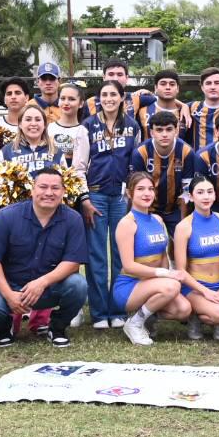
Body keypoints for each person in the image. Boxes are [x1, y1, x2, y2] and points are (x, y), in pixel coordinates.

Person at [0, 167, 88, 347]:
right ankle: (4, 328)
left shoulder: (73, 219)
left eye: (55, 188)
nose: (49, 193)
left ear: (63, 191)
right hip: (11, 286)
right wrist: (8, 294)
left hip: (49, 289)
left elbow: (73, 262)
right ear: (32, 189)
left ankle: (57, 327)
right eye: (43, 187)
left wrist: (42, 282)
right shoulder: (7, 216)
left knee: (78, 285)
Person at [82, 79, 141, 329]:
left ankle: (118, 310)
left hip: (120, 197)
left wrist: (131, 194)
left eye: (113, 94)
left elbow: (136, 163)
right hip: (95, 196)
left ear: (122, 97)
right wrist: (84, 198)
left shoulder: (133, 125)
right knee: (96, 256)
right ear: (98, 99)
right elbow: (78, 166)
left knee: (121, 255)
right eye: (104, 95)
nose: (108, 99)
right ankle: (98, 312)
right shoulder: (87, 126)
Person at [113, 172, 193, 347]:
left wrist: (165, 273)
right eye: (140, 189)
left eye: (150, 189)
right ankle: (134, 323)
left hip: (153, 284)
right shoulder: (127, 223)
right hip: (129, 286)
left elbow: (163, 255)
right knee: (172, 285)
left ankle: (145, 316)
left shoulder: (157, 219)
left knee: (184, 309)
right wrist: (164, 274)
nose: (147, 193)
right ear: (129, 193)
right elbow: (129, 265)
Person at [173, 175, 219, 341]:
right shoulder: (184, 227)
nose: (206, 196)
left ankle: (213, 314)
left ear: (215, 195)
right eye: (200, 192)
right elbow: (180, 271)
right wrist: (206, 292)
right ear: (191, 197)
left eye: (209, 192)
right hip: (194, 288)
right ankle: (195, 316)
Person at [128, 110, 195, 238]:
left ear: (176, 131)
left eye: (169, 129)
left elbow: (186, 191)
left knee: (183, 242)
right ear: (152, 132)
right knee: (147, 244)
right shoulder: (140, 153)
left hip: (175, 206)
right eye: (159, 130)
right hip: (149, 206)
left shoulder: (186, 152)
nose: (164, 134)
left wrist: (183, 224)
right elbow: (138, 189)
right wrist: (139, 219)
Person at [48, 82, 93, 175]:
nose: (66, 103)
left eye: (71, 99)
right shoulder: (49, 128)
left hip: (75, 183)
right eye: (62, 98)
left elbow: (81, 167)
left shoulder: (83, 131)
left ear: (81, 103)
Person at [0, 104, 61, 171]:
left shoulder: (57, 151)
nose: (33, 124)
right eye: (28, 119)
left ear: (45, 124)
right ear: (20, 124)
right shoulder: (6, 151)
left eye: (38, 119)